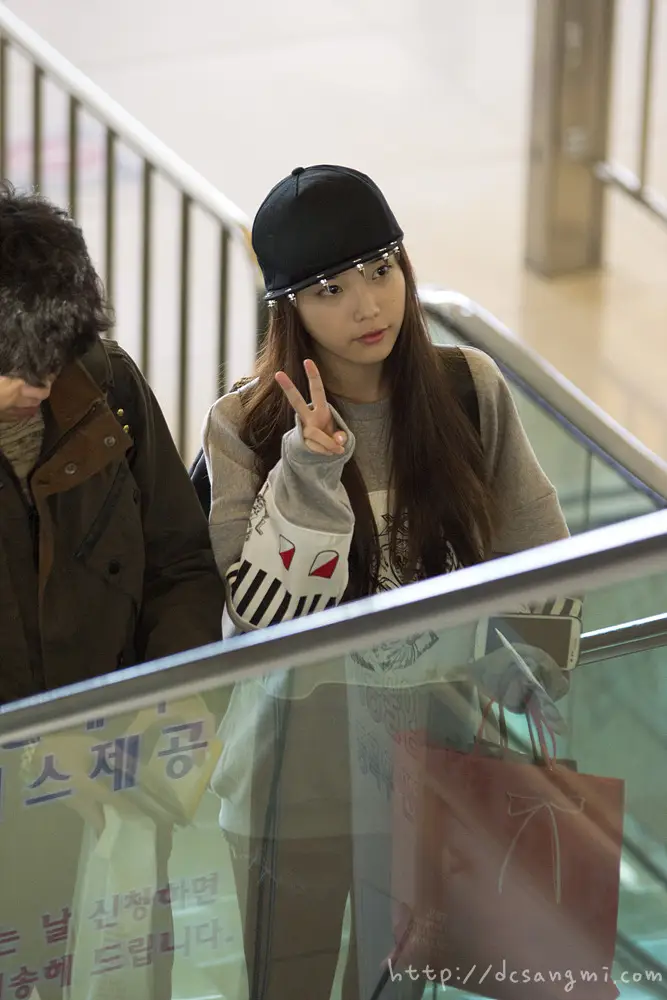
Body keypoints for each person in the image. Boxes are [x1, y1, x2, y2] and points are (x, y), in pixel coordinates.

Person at [202, 165, 581, 1000]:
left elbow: (542, 556)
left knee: (396, 992)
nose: (367, 306)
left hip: (432, 772)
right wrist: (307, 470)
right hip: (288, 785)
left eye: (381, 270)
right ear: (288, 309)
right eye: (329, 288)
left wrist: (524, 675)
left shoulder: (465, 389)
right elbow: (262, 618)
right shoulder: (247, 425)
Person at [0, 181, 225, 998]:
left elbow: (180, 563)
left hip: (123, 779)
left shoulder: (105, 390)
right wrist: (32, 751)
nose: (34, 385)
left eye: (49, 357)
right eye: (12, 366)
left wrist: (172, 695)